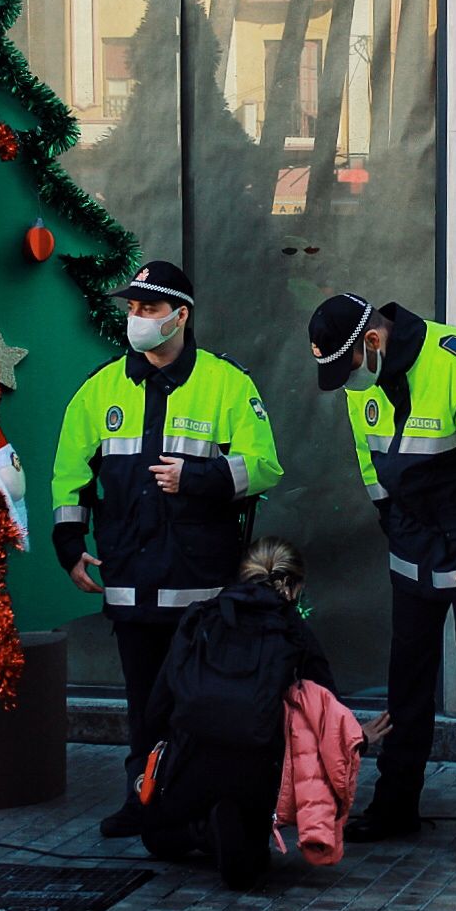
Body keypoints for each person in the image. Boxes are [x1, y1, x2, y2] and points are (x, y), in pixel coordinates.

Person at [51, 260, 283, 838]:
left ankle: (200, 802)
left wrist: (200, 477)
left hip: (202, 582)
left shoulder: (228, 383)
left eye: (149, 308)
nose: (136, 318)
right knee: (144, 704)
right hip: (130, 573)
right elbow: (68, 475)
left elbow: (265, 467)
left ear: (180, 315)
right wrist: (69, 543)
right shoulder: (100, 388)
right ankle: (143, 801)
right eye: (132, 308)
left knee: (200, 701)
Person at [307, 294, 456, 864]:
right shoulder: (366, 384)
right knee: (406, 679)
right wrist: (394, 526)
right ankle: (396, 803)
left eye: (349, 367)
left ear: (373, 343)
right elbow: (371, 460)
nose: (348, 385)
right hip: (413, 544)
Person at [137, 539, 387, 889]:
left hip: (192, 762)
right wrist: (358, 738)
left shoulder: (200, 617)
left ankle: (203, 829)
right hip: (260, 772)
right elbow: (326, 713)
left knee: (156, 838)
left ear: (243, 577)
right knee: (251, 860)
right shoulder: (294, 633)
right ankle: (229, 828)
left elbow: (156, 710)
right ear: (296, 586)